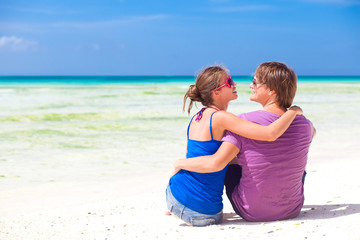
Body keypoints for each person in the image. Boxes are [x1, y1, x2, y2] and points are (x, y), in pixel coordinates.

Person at [174, 62, 315, 222]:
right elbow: (277, 133)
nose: (249, 86)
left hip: (252, 211)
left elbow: (218, 162)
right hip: (292, 209)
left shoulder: (243, 120)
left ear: (271, 90)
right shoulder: (306, 125)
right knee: (294, 160)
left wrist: (179, 163)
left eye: (255, 82)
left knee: (231, 157)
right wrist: (294, 112)